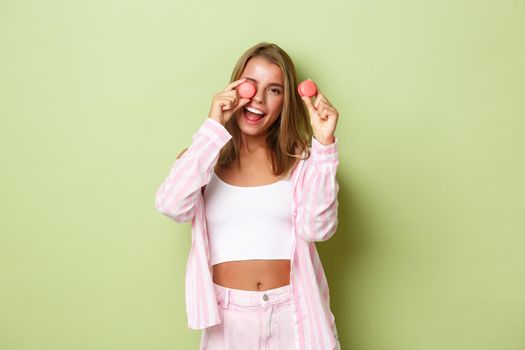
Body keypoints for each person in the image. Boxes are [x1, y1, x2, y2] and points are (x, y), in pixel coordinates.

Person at [155, 42, 341, 350]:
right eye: (249, 85)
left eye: (274, 90)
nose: (258, 99)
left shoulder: (302, 161)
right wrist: (214, 126)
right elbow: (170, 204)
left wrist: (324, 146)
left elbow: (317, 229)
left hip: (294, 315)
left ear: (285, 102)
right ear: (233, 88)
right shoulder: (204, 159)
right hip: (228, 320)